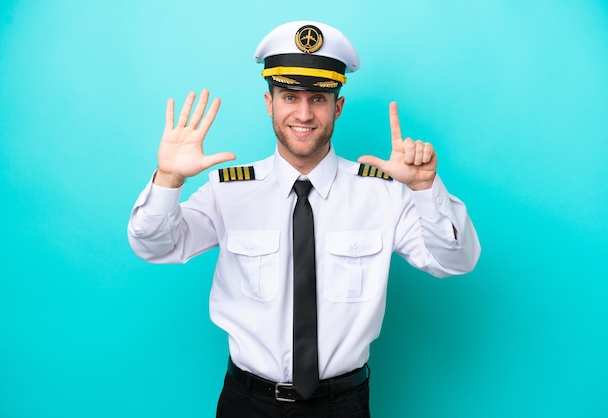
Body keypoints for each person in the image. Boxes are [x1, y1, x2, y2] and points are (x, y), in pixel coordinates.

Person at [128, 20, 480, 418]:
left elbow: (456, 261)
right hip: (247, 403)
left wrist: (423, 190)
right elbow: (155, 245)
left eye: (318, 98)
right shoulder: (228, 191)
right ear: (269, 103)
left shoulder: (382, 193)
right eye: (289, 96)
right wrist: (168, 181)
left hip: (342, 405)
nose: (303, 113)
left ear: (338, 107)